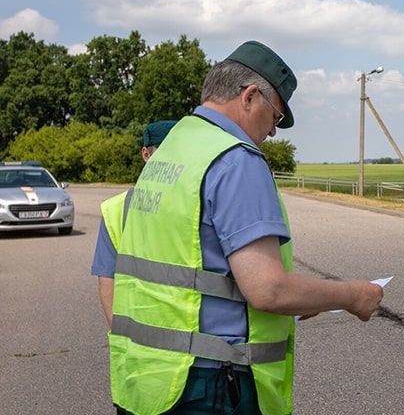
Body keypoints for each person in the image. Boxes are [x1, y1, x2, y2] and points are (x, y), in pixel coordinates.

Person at [107, 41, 383, 415]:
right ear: (250, 96)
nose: (273, 132)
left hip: (146, 381)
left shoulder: (172, 150)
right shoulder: (234, 159)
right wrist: (351, 296)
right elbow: (267, 289)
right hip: (206, 386)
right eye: (275, 116)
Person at [92, 119, 177, 325]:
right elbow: (107, 281)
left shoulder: (198, 202)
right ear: (146, 155)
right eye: (167, 151)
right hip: (137, 342)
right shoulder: (116, 210)